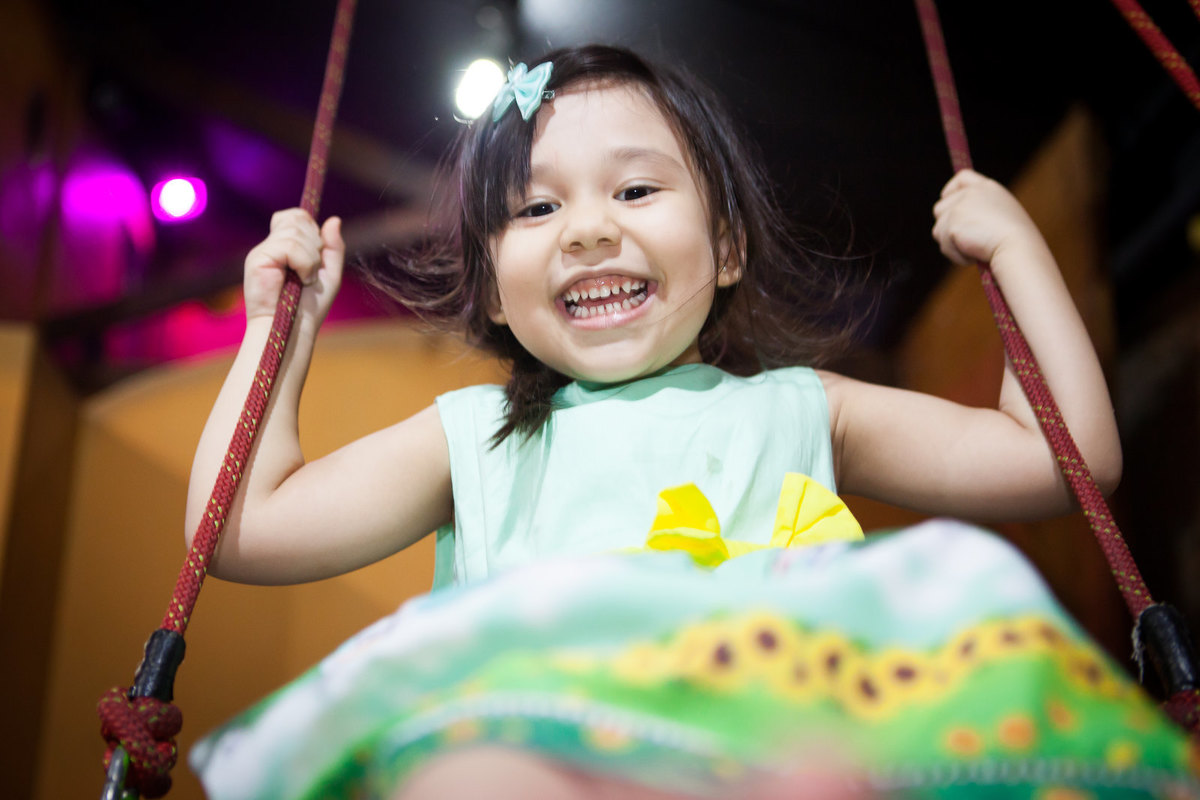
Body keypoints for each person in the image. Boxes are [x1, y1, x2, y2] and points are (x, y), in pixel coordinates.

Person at [187, 45, 1194, 800]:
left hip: (779, 730)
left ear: (724, 248)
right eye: (534, 210)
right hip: (549, 740)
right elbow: (238, 529)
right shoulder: (478, 436)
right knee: (472, 778)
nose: (586, 227)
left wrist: (1018, 252)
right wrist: (278, 335)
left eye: (634, 189)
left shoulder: (801, 406)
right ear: (493, 289)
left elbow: (1060, 458)